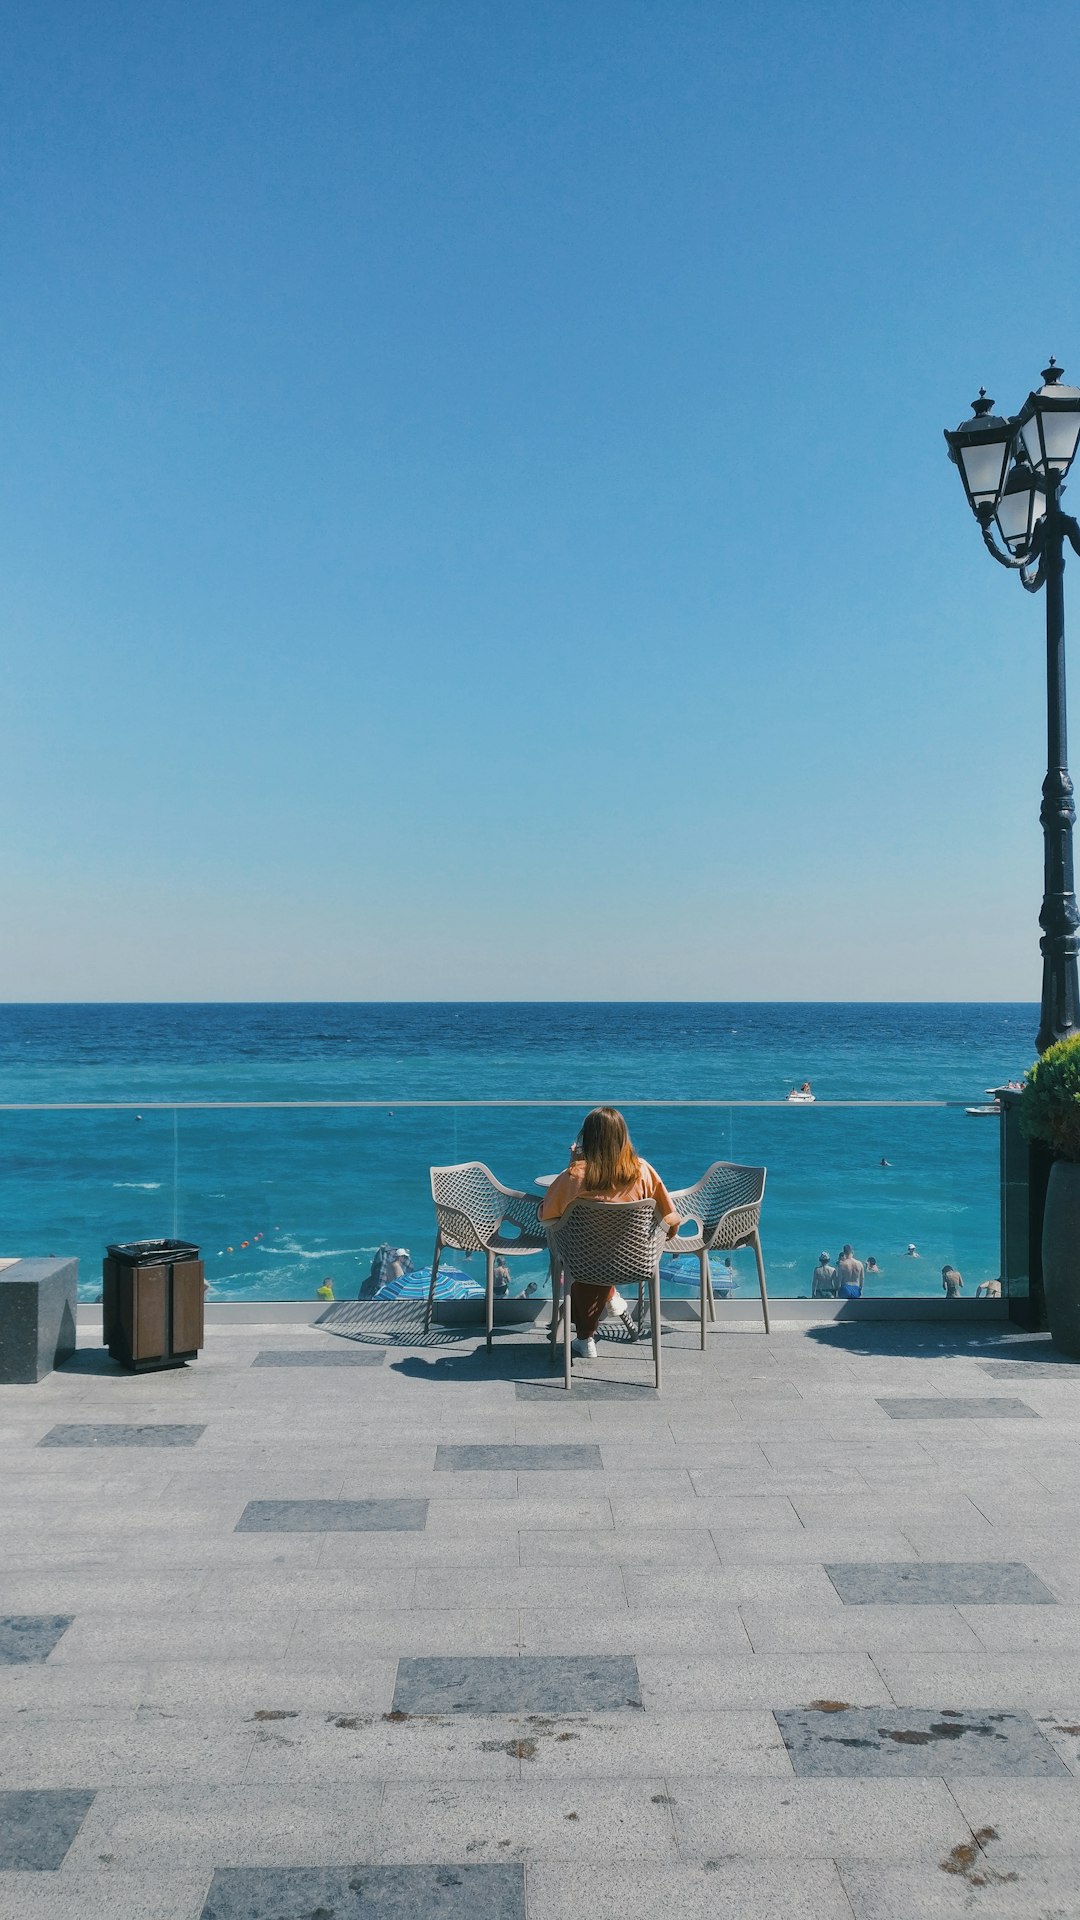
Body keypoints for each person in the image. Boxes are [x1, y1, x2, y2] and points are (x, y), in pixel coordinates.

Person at [539, 1105, 678, 1358]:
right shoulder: (642, 1170)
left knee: (572, 1245)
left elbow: (547, 1215)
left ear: (587, 1138)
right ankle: (609, 1294)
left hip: (584, 1264)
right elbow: (669, 1216)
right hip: (635, 1262)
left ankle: (586, 1336)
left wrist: (573, 1165)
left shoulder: (575, 1176)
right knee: (605, 1252)